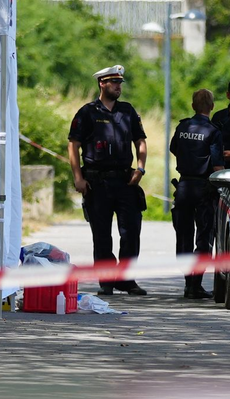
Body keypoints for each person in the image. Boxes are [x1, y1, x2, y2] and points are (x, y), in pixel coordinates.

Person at [68, 64, 149, 296]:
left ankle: (126, 279)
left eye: (120, 82)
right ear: (102, 83)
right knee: (102, 234)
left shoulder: (128, 111)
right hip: (97, 182)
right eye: (114, 82)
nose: (118, 86)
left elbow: (140, 141)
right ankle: (106, 280)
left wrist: (140, 169)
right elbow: (73, 144)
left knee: (131, 232)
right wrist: (78, 177)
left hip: (126, 181)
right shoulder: (87, 112)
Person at [170, 89, 225, 299]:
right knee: (204, 237)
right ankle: (196, 283)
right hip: (204, 189)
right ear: (211, 107)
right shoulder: (213, 131)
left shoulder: (183, 126)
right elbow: (218, 166)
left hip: (183, 187)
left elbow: (174, 148)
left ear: (193, 106)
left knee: (183, 235)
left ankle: (187, 282)